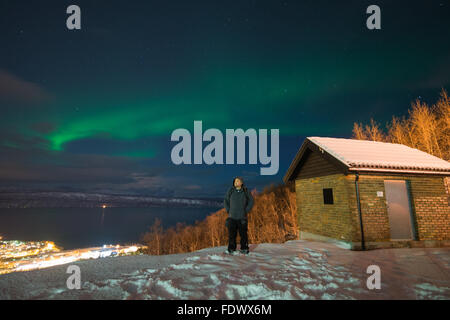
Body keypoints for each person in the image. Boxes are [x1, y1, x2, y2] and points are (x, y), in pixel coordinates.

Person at [224, 176, 254, 254]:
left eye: (237, 181)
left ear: (241, 182)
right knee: (232, 234)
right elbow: (226, 200)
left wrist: (246, 210)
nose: (236, 182)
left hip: (242, 217)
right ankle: (231, 249)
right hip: (232, 216)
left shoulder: (245, 191)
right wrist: (228, 210)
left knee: (243, 234)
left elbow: (251, 201)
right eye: (235, 181)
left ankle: (244, 248)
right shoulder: (230, 190)